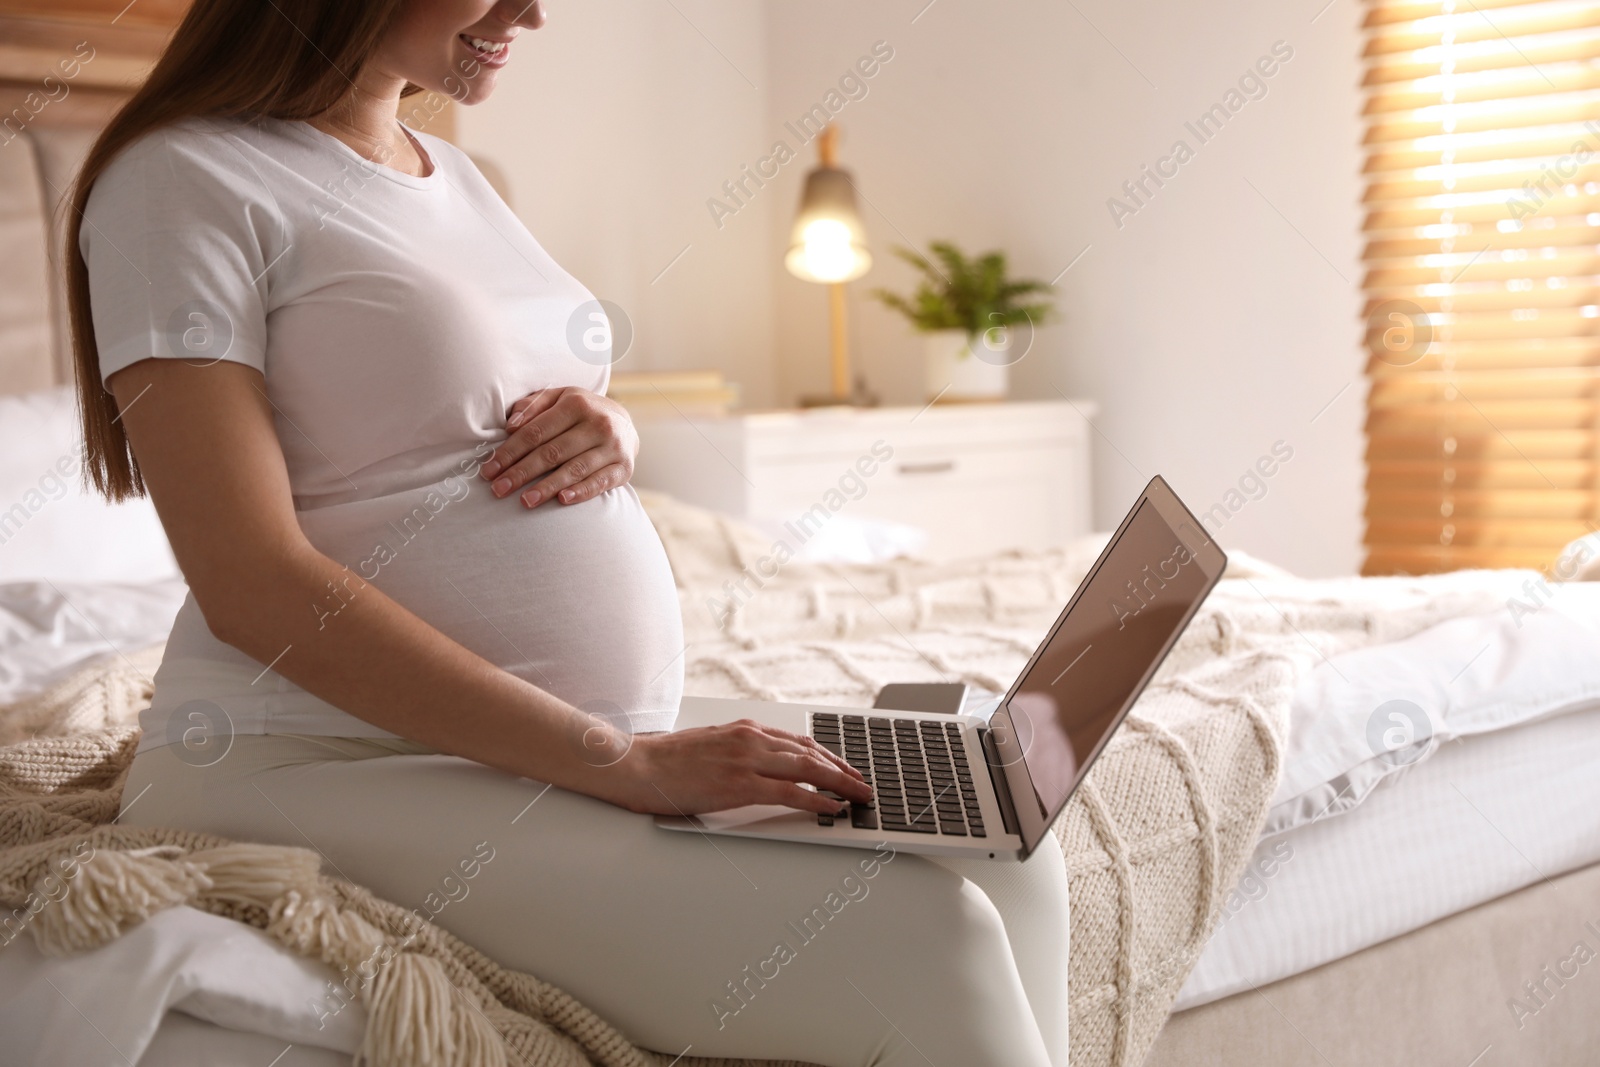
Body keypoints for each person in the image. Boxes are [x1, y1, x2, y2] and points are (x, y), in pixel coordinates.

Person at [70, 2, 1069, 1062]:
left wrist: (612, 427)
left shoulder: (452, 173)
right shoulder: (182, 179)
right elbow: (249, 579)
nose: (531, 12)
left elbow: (454, 401)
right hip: (311, 760)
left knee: (1008, 844)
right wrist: (624, 762)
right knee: (926, 934)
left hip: (535, 744)